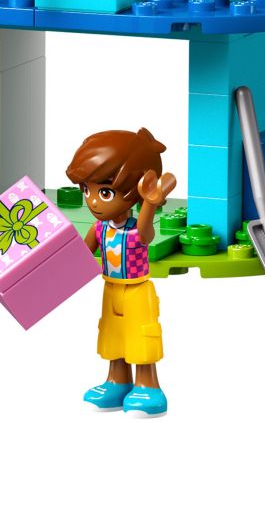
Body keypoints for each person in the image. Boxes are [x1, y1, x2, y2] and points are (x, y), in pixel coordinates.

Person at [68, 125, 178, 416]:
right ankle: (117, 380)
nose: (92, 201)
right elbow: (79, 255)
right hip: (110, 288)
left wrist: (150, 204)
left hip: (137, 290)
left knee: (141, 335)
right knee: (112, 334)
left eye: (104, 192)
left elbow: (145, 233)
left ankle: (148, 386)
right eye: (86, 190)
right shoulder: (99, 228)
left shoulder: (134, 230)